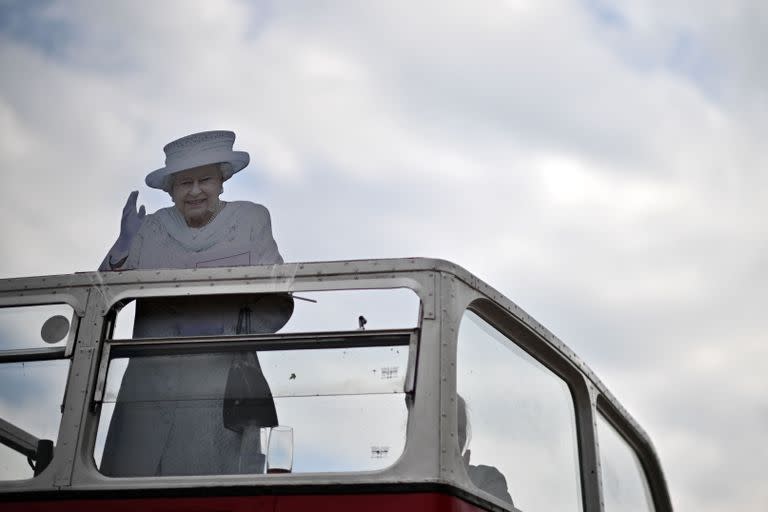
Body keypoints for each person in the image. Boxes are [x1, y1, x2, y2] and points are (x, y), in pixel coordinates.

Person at [99, 130, 292, 477]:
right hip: (148, 391)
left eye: (205, 179)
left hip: (218, 388)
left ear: (222, 181)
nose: (195, 191)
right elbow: (99, 302)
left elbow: (279, 301)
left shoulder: (251, 219)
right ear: (171, 189)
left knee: (210, 490)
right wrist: (123, 246)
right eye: (184, 182)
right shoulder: (151, 227)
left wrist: (225, 323)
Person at [457, 395, 514, 506]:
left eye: (460, 431)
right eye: (449, 427)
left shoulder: (487, 477)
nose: (458, 438)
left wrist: (463, 480)